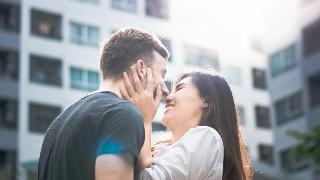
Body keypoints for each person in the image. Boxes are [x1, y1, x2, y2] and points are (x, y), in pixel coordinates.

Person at [38, 27, 170, 180]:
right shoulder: (122, 115)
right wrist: (144, 120)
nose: (165, 89)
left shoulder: (58, 123)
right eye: (162, 74)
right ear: (141, 69)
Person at [120, 69, 252, 180]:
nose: (168, 97)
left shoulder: (207, 137)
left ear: (206, 100)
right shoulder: (159, 148)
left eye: (180, 88)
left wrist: (143, 117)